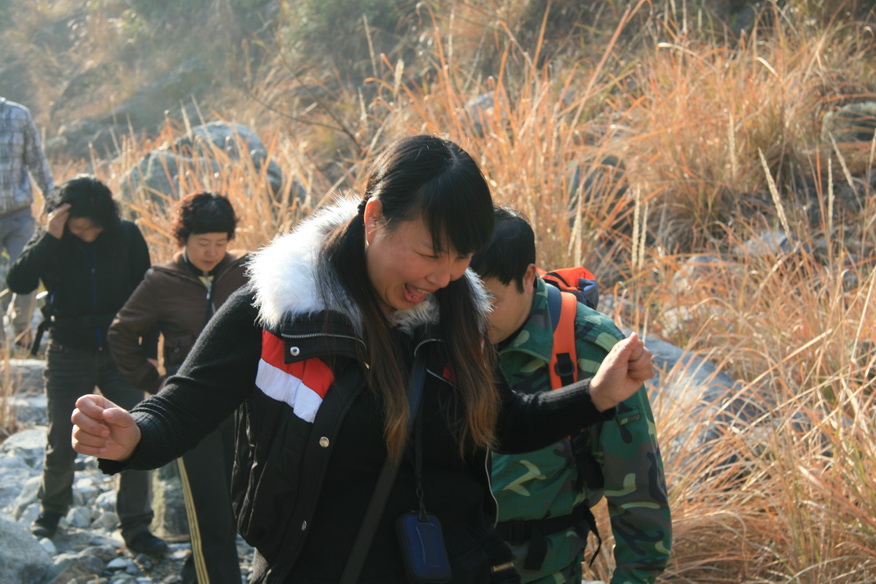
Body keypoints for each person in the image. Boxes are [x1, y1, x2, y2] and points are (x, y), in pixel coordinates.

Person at [70, 135, 653, 584]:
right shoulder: (280, 310)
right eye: (430, 253)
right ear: (374, 218)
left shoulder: (456, 314)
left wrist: (596, 395)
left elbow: (501, 421)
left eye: (461, 259)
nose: (443, 276)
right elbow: (186, 406)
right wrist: (134, 437)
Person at [470, 207, 671, 584]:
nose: (473, 317)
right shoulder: (442, 326)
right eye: (463, 300)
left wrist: (634, 577)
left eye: (490, 301)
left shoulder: (589, 348)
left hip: (543, 568)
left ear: (528, 278)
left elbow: (638, 489)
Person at [6, 175, 168, 555]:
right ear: (63, 215)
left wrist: (148, 348)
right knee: (62, 438)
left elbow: (149, 293)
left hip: (120, 352)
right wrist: (51, 235)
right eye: (80, 224)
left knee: (134, 433)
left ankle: (136, 525)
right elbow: (18, 280)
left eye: (95, 225)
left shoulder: (125, 234)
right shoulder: (53, 239)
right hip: (67, 352)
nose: (88, 232)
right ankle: (51, 512)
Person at [108, 191, 248, 584]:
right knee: (211, 515)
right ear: (182, 239)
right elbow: (121, 335)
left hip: (241, 408)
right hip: (189, 413)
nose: (212, 252)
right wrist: (155, 382)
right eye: (203, 243)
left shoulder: (245, 271)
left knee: (234, 507)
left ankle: (195, 574)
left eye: (221, 243)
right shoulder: (161, 281)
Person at [1, 97, 56, 350]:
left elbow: (37, 161)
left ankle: (21, 326)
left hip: (18, 213)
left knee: (28, 273)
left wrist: (53, 198)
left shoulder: (18, 115)